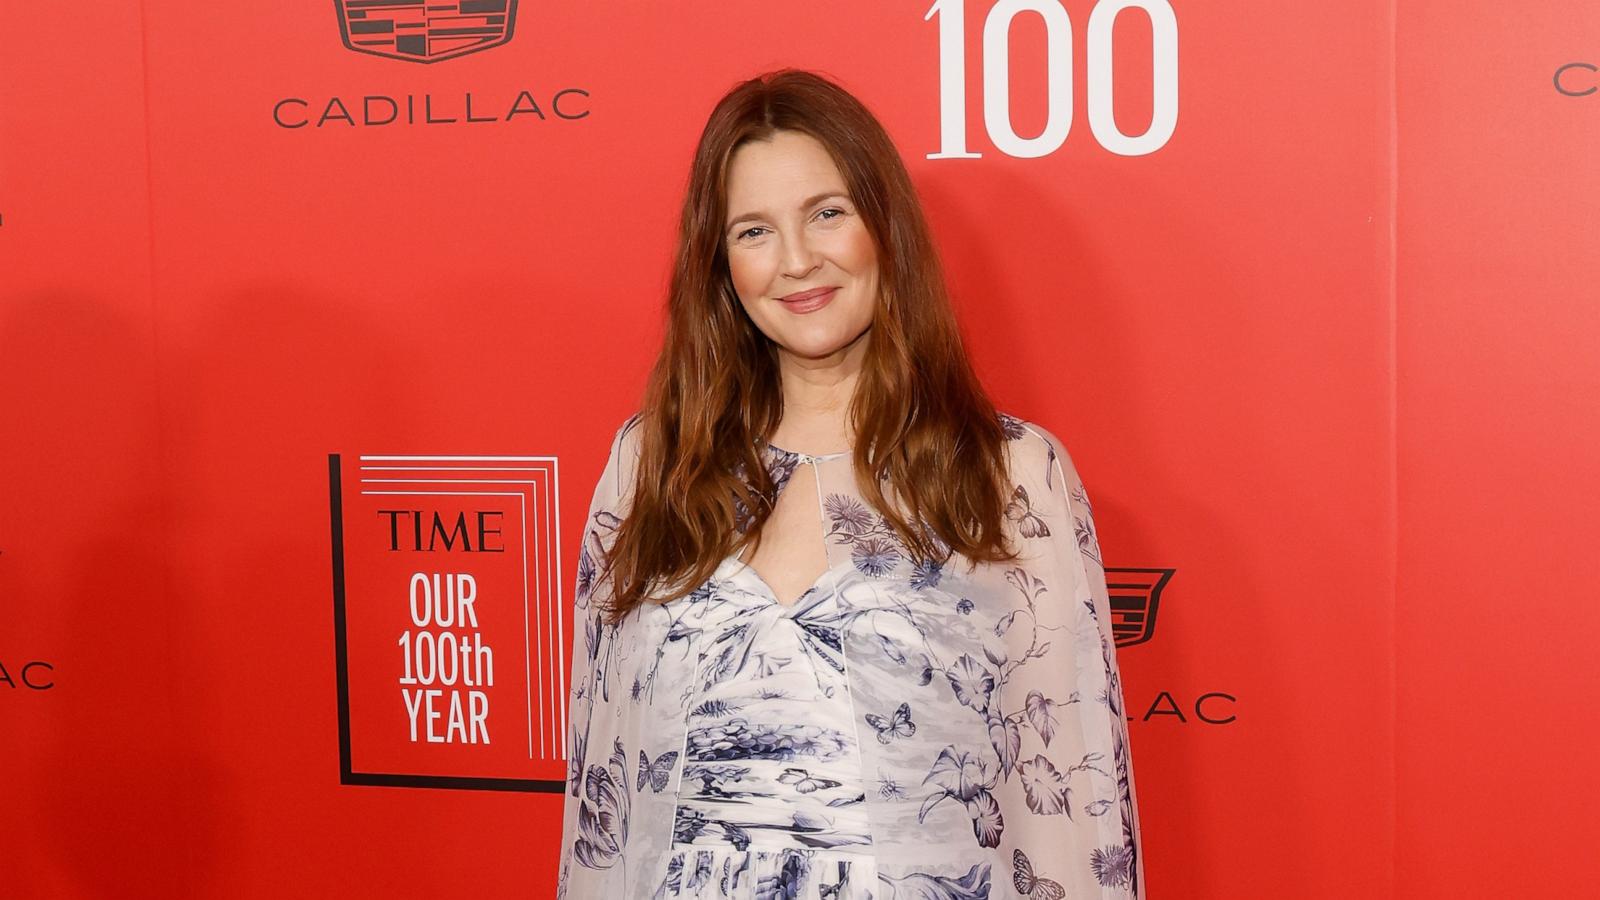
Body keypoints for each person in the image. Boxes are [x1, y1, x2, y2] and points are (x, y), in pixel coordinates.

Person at [557, 68, 1144, 900]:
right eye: (753, 231)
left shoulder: (1010, 474)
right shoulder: (652, 463)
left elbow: (1077, 809)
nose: (797, 261)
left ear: (885, 224)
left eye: (827, 213)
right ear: (719, 263)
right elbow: (600, 798)